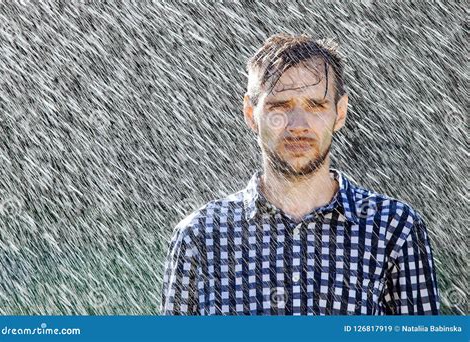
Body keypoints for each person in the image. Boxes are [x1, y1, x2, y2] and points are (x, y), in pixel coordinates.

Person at [161, 33, 440, 315]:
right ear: (250, 113)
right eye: (279, 106)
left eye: (315, 106)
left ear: (339, 113)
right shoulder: (199, 236)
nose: (297, 125)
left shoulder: (395, 229)